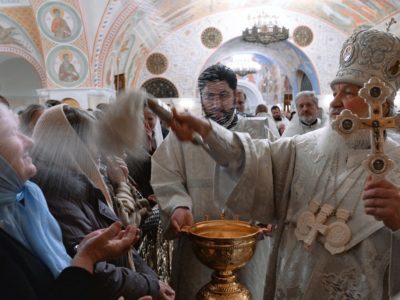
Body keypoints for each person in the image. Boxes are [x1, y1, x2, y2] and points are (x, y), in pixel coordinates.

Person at [166, 29, 400, 299]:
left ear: (380, 101)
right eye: (335, 92)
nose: (334, 102)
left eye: (348, 92)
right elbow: (254, 159)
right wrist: (209, 132)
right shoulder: (303, 147)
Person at [151, 64, 273, 299]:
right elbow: (166, 174)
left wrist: (268, 212)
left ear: (236, 96)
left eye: (223, 95)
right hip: (198, 240)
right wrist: (178, 205)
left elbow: (275, 174)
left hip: (250, 241)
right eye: (209, 96)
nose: (216, 103)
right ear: (201, 97)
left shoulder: (259, 130)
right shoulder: (182, 135)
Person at [31, 105, 175, 300]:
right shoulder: (57, 196)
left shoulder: (81, 184)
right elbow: (94, 268)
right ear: (72, 146)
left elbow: (120, 236)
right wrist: (150, 285)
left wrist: (150, 280)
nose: (99, 152)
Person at [0, 104, 139, 300]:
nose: (29, 142)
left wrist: (85, 255)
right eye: (12, 133)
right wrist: (87, 257)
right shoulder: (51, 196)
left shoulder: (28, 201)